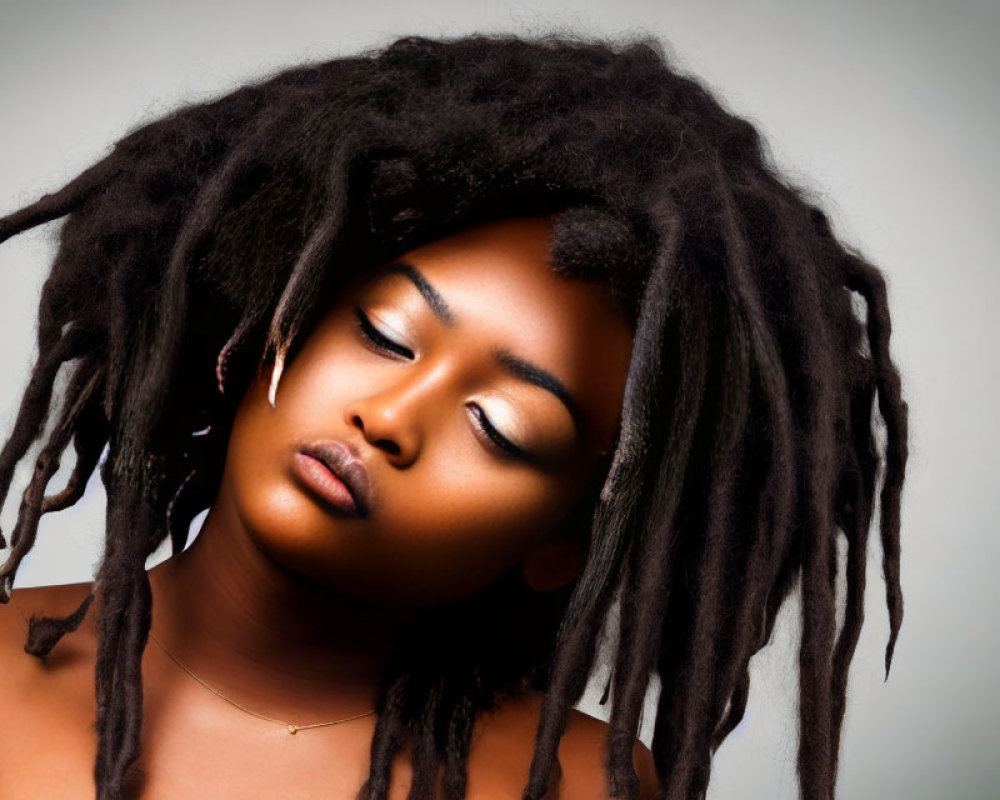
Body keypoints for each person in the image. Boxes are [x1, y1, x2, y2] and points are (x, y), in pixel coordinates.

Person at [0, 34, 906, 800]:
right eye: (385, 336)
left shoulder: (577, 786)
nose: (390, 417)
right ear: (268, 323)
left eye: (500, 427)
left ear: (561, 544)